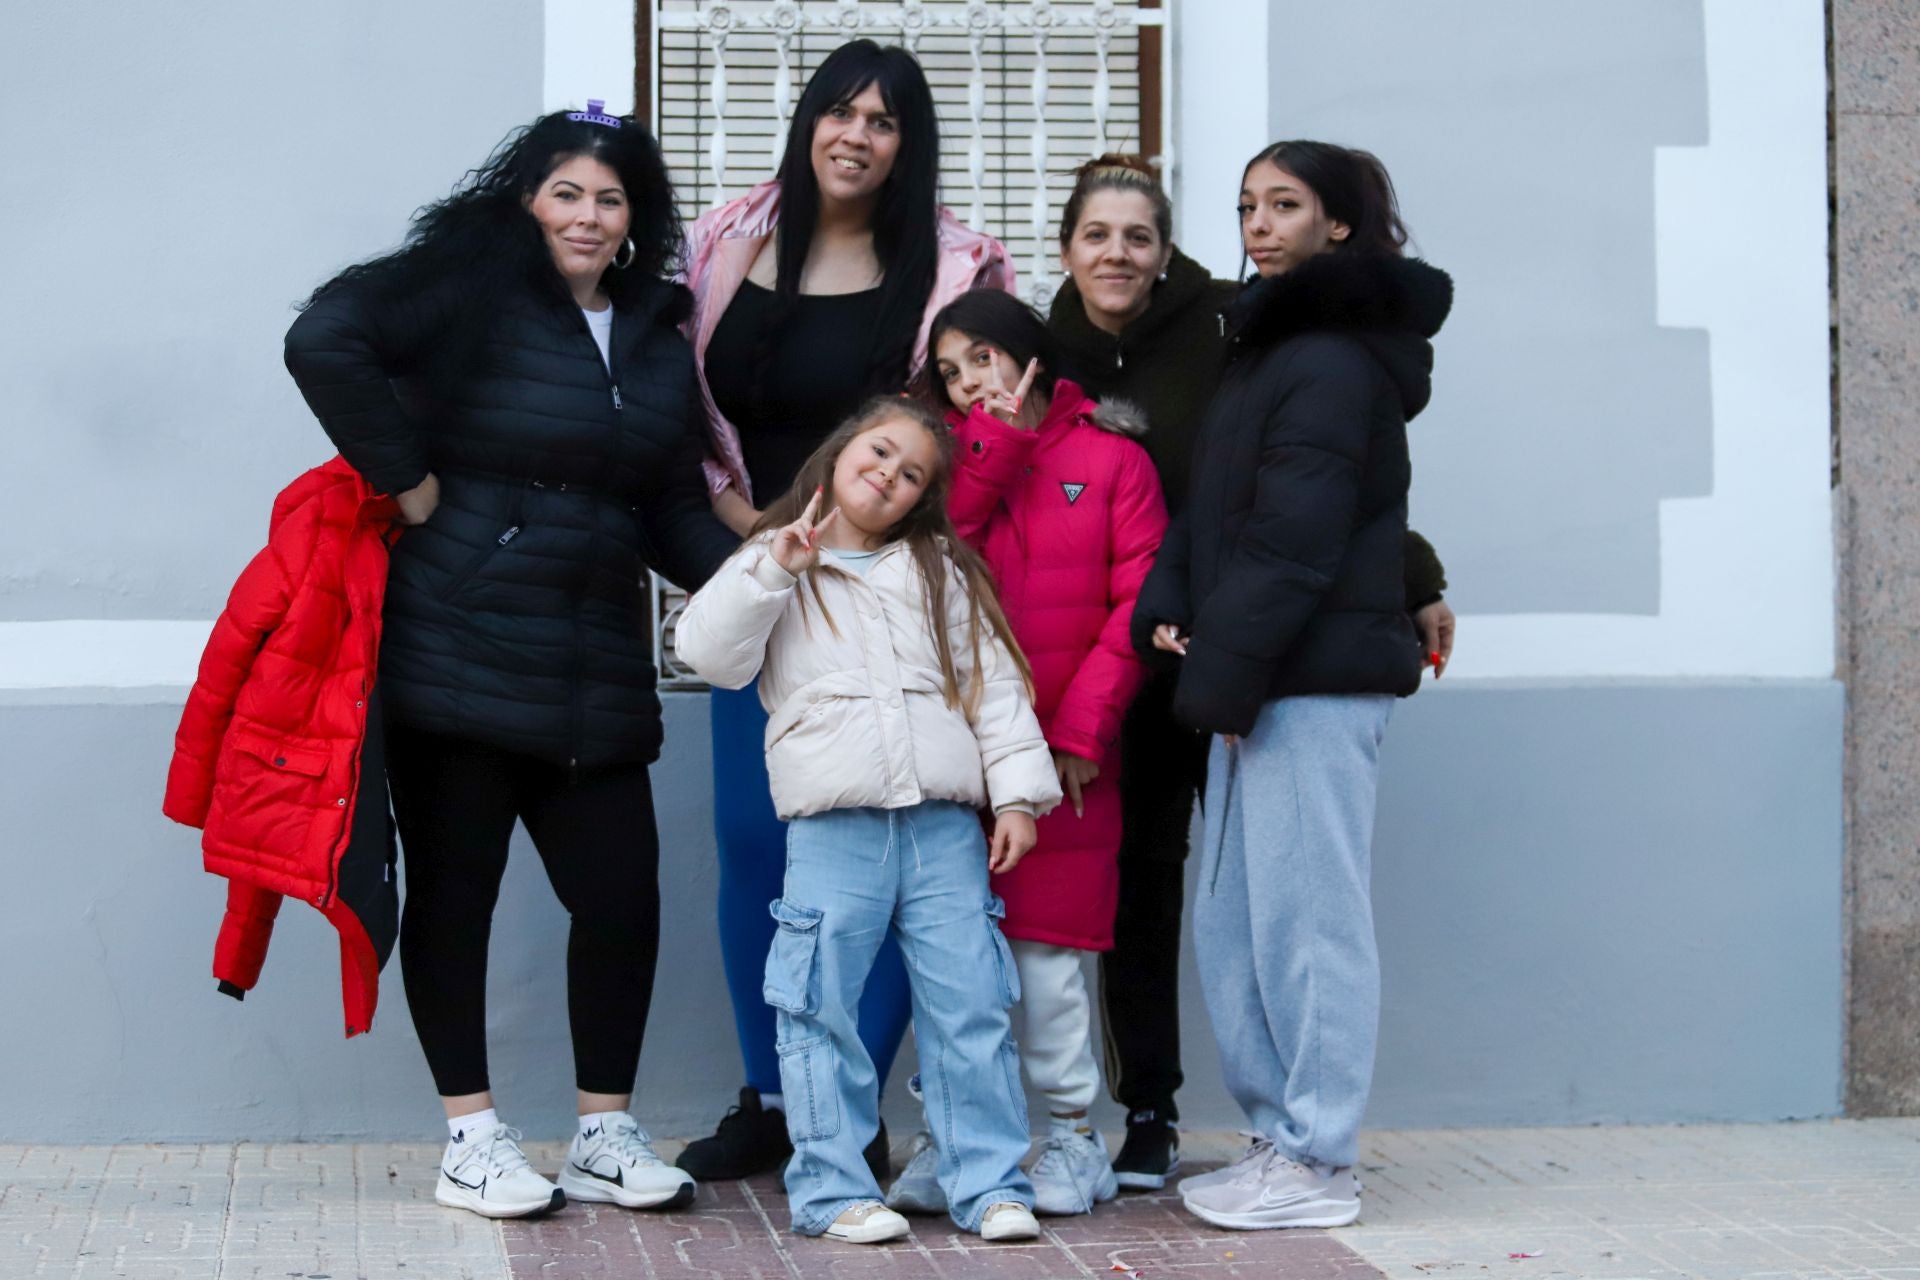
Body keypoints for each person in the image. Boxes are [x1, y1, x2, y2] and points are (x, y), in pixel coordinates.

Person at [283, 101, 736, 1220]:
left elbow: (670, 499)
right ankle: (472, 1135)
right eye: (567, 192)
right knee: (458, 902)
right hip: (460, 652)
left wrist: (755, 584)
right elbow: (322, 337)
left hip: (595, 663)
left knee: (622, 898)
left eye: (611, 197)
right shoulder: (469, 291)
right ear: (527, 199)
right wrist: (406, 475)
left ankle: (602, 1131)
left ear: (638, 217)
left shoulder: (652, 330)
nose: (588, 215)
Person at [1047, 154, 1454, 1189]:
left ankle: (1315, 1156)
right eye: (1249, 208)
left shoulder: (1282, 345)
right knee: (1245, 919)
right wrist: (1184, 629)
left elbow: (1305, 522)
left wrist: (1412, 580)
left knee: (1306, 919)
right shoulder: (1262, 343)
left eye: (1284, 207)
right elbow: (1252, 501)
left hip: (1272, 668)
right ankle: (1285, 1138)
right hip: (1223, 663)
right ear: (1066, 247)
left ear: (1342, 229)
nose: (1260, 225)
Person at [677, 38, 1015, 1183]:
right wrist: (742, 524)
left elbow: (981, 433)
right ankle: (775, 1094)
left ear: (907, 146)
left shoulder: (957, 265)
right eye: (841, 110)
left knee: (877, 846)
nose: (857, 134)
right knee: (754, 843)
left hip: (884, 603)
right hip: (762, 580)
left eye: (884, 119)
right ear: (809, 120)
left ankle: (852, 1100)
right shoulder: (727, 240)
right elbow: (682, 401)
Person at [673, 397, 1060, 1245]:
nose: (888, 474)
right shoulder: (769, 560)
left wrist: (1020, 796)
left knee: (972, 1005)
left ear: (919, 499)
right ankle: (833, 1189)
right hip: (833, 829)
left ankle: (988, 1184)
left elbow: (993, 687)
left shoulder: (938, 571)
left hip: (942, 827)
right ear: (843, 450)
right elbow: (706, 653)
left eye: (911, 474)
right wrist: (775, 566)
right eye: (881, 452)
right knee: (820, 1009)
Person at [881, 289, 1164, 1218]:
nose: (970, 385)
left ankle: (1072, 1139)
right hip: (960, 760)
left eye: (983, 360)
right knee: (953, 958)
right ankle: (951, 1136)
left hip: (1071, 759)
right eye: (952, 373)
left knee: (1048, 961)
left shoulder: (1113, 461)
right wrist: (992, 448)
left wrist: (1081, 734)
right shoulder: (951, 467)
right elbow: (940, 556)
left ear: (1028, 353)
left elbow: (1136, 608)